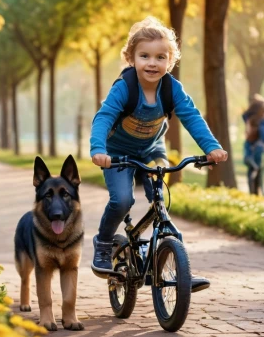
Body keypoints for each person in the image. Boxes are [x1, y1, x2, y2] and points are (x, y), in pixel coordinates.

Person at [90, 16, 228, 275]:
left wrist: (212, 147)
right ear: (131, 58)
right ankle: (104, 242)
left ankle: (175, 266)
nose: (152, 63)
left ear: (170, 61)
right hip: (118, 153)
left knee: (159, 196)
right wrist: (98, 150)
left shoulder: (172, 89)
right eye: (144, 56)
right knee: (122, 200)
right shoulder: (124, 88)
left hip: (152, 148)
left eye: (160, 57)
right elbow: (104, 117)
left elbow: (192, 117)